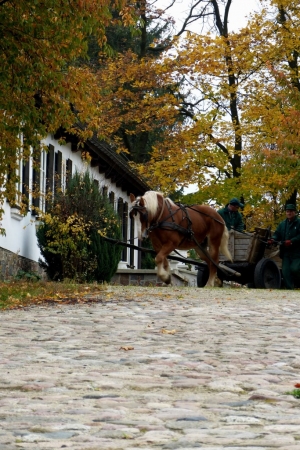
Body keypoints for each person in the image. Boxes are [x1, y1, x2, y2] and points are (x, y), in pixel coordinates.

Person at [268, 204, 300, 290]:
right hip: (286, 252)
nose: (289, 213)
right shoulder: (282, 224)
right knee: (285, 272)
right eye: (287, 211)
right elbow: (277, 234)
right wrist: (273, 239)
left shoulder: (299, 222)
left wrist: (292, 241)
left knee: (295, 269)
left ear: (294, 212)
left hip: (297, 252)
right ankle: (290, 290)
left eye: (291, 211)